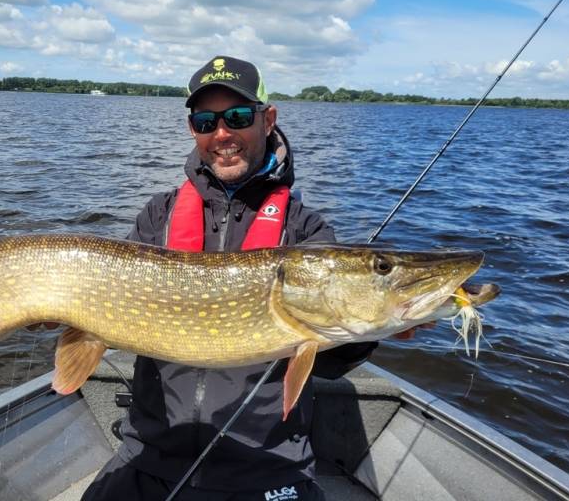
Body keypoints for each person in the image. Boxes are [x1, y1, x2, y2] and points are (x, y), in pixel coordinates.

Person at [82, 56, 386, 500]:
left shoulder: (304, 230)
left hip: (267, 465)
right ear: (193, 130)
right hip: (150, 454)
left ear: (268, 119)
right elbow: (105, 312)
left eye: (238, 117)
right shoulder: (159, 214)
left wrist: (372, 326)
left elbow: (329, 361)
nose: (222, 134)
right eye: (206, 121)